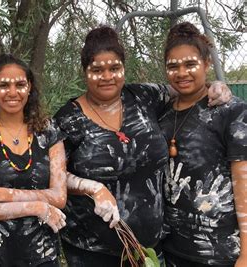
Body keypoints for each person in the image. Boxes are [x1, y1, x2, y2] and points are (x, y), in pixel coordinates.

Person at [53, 26, 232, 266]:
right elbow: (51, 175)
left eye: (114, 68)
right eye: (97, 70)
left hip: (150, 249)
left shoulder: (143, 97)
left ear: (123, 68)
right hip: (93, 251)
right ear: (85, 72)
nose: (107, 76)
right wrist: (91, 187)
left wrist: (215, 86)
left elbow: (187, 87)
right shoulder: (67, 120)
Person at [0, 54, 67, 266]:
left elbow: (59, 197)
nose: (12, 92)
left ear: (30, 88)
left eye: (20, 84)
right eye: (4, 85)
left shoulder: (49, 132)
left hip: (41, 253)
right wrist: (37, 207)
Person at [159, 22, 247, 267]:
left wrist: (246, 254)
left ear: (207, 64)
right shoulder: (163, 113)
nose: (182, 73)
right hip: (173, 248)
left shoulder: (230, 111)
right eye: (173, 66)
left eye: (190, 64)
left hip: (221, 251)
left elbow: (244, 183)